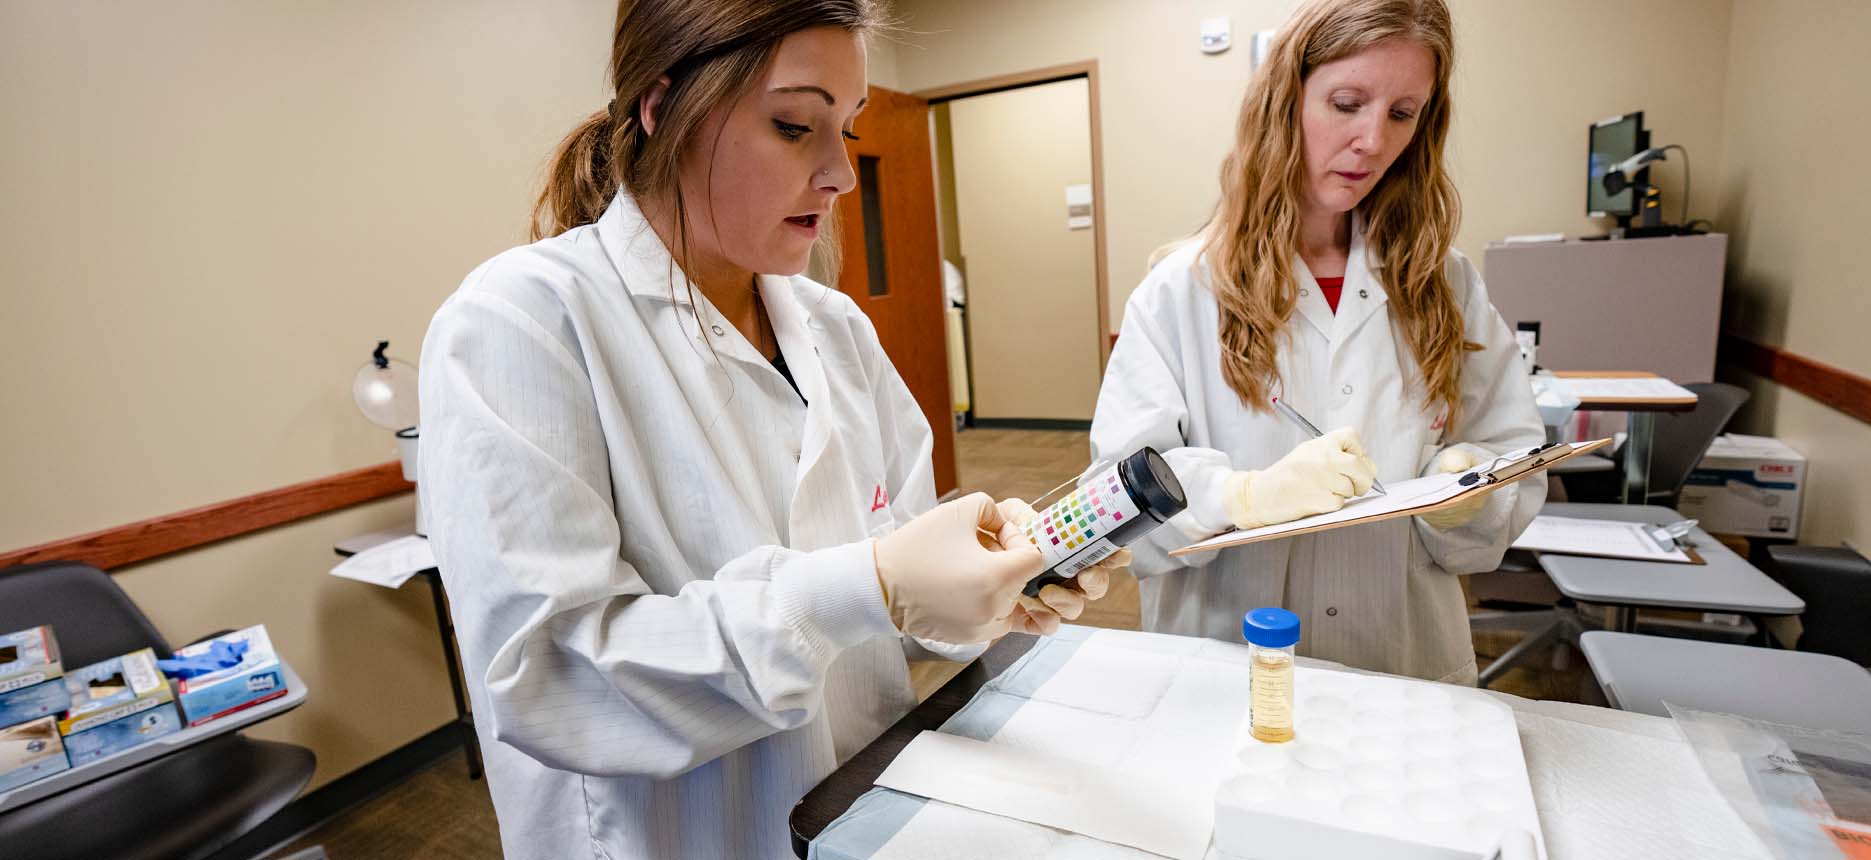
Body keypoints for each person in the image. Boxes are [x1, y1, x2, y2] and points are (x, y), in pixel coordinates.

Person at [417, 2, 1118, 856]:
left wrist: (985, 586)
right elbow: (555, 681)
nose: (840, 175)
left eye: (848, 130)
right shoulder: (522, 321)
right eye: (794, 126)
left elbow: (892, 604)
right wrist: (871, 583)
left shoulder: (836, 330)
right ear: (661, 105)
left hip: (867, 809)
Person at [1090, 0, 1544, 685]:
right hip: (1223, 669)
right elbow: (1116, 500)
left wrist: (1472, 491)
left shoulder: (1445, 284)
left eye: (1402, 113)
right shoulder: (1181, 290)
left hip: (1404, 669)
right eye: (1346, 102)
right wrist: (1239, 499)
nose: (1372, 140)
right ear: (1285, 101)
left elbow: (1514, 450)